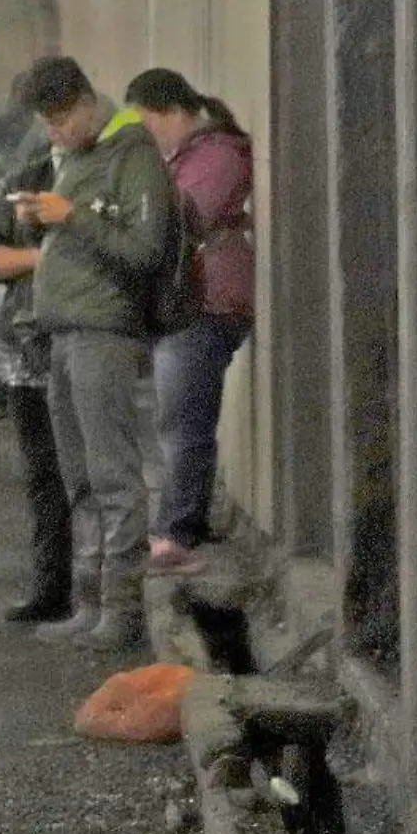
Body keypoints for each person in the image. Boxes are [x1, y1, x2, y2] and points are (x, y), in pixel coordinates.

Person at [12, 56, 175, 652]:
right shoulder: (79, 156)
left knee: (112, 475)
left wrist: (71, 216)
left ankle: (122, 609)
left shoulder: (130, 153)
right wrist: (42, 219)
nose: (52, 133)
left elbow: (145, 249)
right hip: (64, 336)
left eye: (58, 120)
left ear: (84, 102)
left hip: (103, 335)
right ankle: (88, 599)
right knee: (77, 475)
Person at [124, 68, 255, 576]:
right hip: (191, 302)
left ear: (173, 113)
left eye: (148, 124)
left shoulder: (217, 154)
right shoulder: (189, 156)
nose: (146, 137)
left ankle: (176, 530)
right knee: (182, 416)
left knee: (182, 420)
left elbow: (182, 216)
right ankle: (184, 521)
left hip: (207, 301)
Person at [0, 136, 78, 624]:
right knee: (42, 473)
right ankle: (51, 588)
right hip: (23, 349)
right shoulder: (21, 181)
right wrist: (35, 257)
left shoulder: (104, 176)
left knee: (88, 470)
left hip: (83, 340)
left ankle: (95, 590)